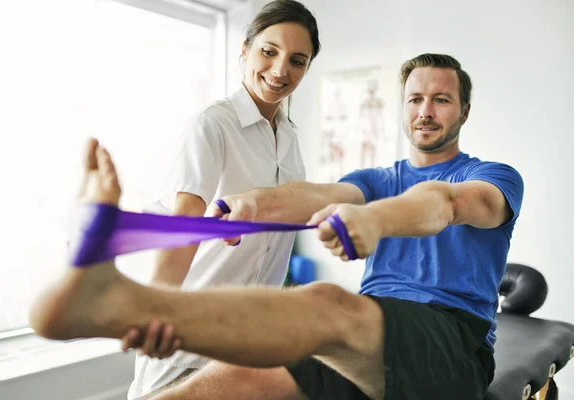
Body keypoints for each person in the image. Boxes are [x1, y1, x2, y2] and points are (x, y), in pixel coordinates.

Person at [30, 53, 524, 400]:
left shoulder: (493, 176)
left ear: (464, 110)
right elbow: (315, 194)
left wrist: (375, 219)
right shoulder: (378, 178)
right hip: (368, 341)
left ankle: (121, 304)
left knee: (323, 302)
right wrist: (250, 204)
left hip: (452, 345)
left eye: (440, 100)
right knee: (229, 380)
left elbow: (447, 203)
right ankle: (117, 301)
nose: (425, 111)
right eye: (415, 99)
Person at [115, 1, 321, 398]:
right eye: (269, 51)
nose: (281, 70)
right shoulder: (213, 124)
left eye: (297, 60)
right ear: (244, 49)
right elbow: (184, 223)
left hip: (251, 337)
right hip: (191, 331)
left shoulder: (290, 138)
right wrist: (155, 311)